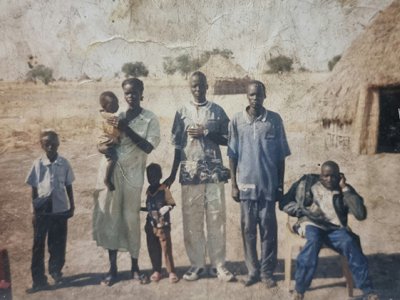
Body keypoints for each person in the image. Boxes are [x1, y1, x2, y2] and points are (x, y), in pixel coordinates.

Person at [164, 71, 234, 282]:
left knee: (216, 217)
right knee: (192, 219)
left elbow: (228, 138)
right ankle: (196, 264)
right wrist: (172, 173)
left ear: (207, 86)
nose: (197, 89)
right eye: (194, 86)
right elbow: (177, 146)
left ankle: (219, 265)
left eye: (201, 85)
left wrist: (206, 133)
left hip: (213, 172)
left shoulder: (217, 111)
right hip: (190, 173)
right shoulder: (181, 112)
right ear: (190, 87)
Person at [93, 78, 160, 286]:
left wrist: (127, 129)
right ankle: (113, 269)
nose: (130, 96)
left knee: (131, 220)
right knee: (112, 218)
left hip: (134, 176)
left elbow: (148, 147)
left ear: (141, 92)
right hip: (112, 175)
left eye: (134, 92)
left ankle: (135, 267)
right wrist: (103, 147)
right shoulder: (116, 115)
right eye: (127, 93)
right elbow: (100, 141)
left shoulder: (150, 118)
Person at [279, 161, 379, 300]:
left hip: (334, 229)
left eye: (333, 176)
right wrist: (302, 211)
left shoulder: (343, 189)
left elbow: (360, 214)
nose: (329, 180)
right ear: (321, 175)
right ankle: (299, 290)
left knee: (350, 242)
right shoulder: (307, 183)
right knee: (313, 241)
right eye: (326, 176)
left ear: (339, 176)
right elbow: (284, 202)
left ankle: (368, 291)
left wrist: (345, 188)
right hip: (312, 224)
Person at [228, 80, 290, 288]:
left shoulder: (274, 120)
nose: (255, 98)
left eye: (259, 95)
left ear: (265, 95)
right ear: (247, 96)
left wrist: (280, 185)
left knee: (268, 230)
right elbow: (232, 155)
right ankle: (252, 271)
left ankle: (266, 272)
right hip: (246, 186)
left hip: (268, 186)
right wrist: (234, 185)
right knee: (248, 230)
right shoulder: (237, 120)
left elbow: (281, 156)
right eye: (252, 95)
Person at [25, 130, 75, 293]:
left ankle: (56, 271)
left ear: (59, 143)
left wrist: (71, 206)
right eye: (47, 143)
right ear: (41, 145)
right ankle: (38, 280)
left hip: (60, 208)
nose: (51, 146)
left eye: (53, 142)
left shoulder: (64, 163)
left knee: (58, 243)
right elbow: (34, 188)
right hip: (42, 209)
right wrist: (33, 210)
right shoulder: (38, 164)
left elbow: (69, 186)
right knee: (38, 245)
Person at [143, 163, 179, 284]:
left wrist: (167, 208)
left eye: (154, 176)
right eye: (149, 176)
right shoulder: (148, 191)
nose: (151, 178)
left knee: (166, 248)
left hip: (162, 224)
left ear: (160, 176)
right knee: (153, 247)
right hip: (150, 224)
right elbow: (148, 206)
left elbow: (172, 203)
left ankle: (171, 271)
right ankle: (156, 270)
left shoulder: (164, 190)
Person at [97, 91, 120, 191]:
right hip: (105, 143)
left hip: (101, 143)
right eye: (113, 104)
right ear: (106, 106)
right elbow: (114, 132)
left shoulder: (101, 114)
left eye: (117, 103)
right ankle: (107, 179)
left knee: (111, 158)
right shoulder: (111, 117)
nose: (117, 106)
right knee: (114, 157)